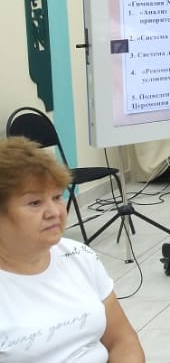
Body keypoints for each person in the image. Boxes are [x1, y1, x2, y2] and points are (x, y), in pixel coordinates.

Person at [0, 137, 145, 362]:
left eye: (57, 197)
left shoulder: (79, 255)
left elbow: (122, 340)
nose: (54, 212)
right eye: (35, 203)